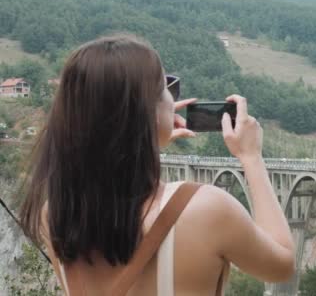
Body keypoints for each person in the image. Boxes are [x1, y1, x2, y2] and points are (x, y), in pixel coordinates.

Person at [19, 34, 295, 295]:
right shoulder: (206, 209)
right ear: (146, 110)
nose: (173, 98)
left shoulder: (55, 215)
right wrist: (252, 158)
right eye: (167, 88)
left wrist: (145, 139)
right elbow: (282, 265)